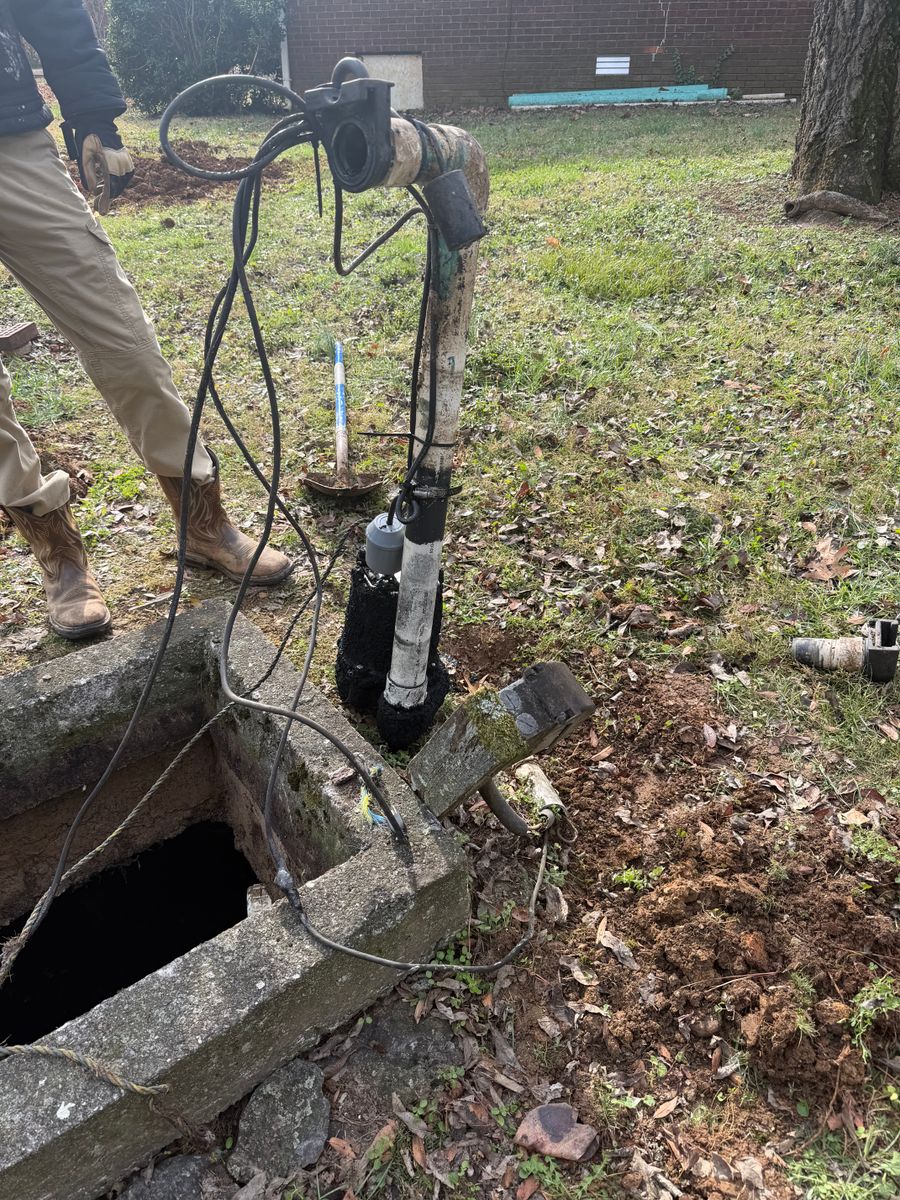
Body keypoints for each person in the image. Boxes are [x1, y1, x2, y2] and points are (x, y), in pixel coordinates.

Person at [0, 0, 292, 641]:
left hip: (11, 146)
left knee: (123, 337)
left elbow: (52, 13)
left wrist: (93, 117)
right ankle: (61, 554)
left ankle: (202, 523)